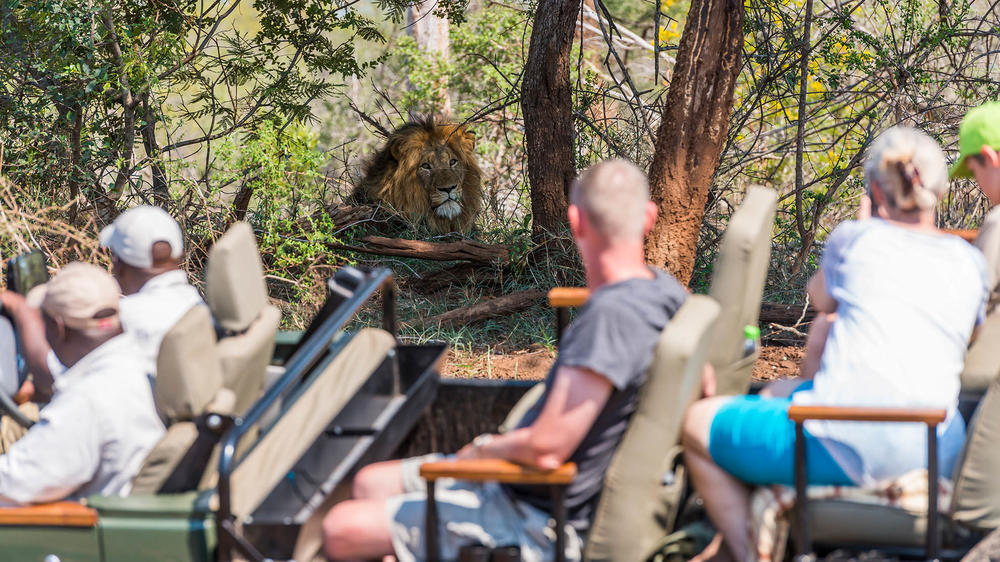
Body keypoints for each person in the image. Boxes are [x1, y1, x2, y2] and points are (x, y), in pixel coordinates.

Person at [321, 160, 688, 561]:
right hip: (535, 487)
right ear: (649, 218)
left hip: (540, 516)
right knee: (371, 483)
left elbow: (547, 450)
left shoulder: (609, 319)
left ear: (575, 221)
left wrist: (482, 451)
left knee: (342, 529)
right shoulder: (668, 293)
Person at [682, 126, 989, 561]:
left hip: (845, 443)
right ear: (939, 188)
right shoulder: (970, 261)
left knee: (697, 420)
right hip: (936, 446)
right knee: (778, 390)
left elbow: (821, 300)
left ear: (874, 190)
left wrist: (863, 229)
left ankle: (743, 551)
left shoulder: (855, 239)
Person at [0, 262, 164, 504]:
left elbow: (12, 482)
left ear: (58, 328)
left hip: (79, 529)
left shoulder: (88, 399)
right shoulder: (141, 360)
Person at [3, 206, 202, 384]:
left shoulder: (130, 318)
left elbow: (53, 374)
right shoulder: (195, 302)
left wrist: (22, 309)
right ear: (180, 254)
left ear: (119, 263)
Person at [951, 101, 1000, 312]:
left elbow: (973, 306)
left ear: (989, 158)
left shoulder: (997, 224)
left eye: (973, 171)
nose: (978, 183)